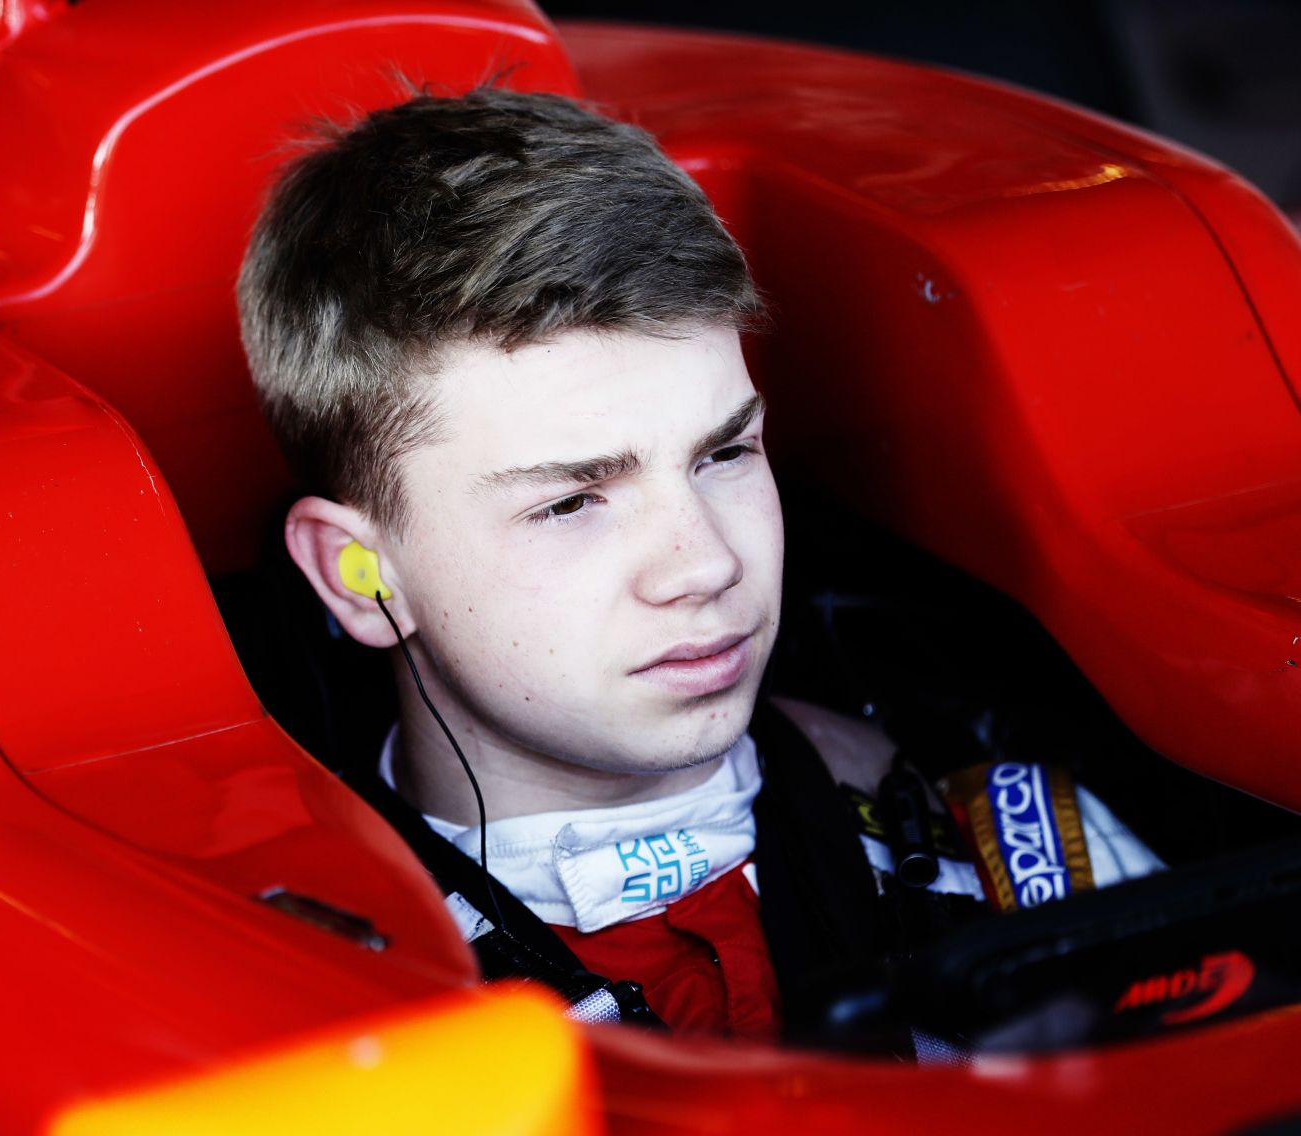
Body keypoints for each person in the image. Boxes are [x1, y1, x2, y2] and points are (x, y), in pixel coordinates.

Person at [236, 87, 1160, 1052]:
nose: (708, 565)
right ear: (355, 577)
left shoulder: (1008, 842)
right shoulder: (305, 992)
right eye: (569, 501)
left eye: (723, 455)